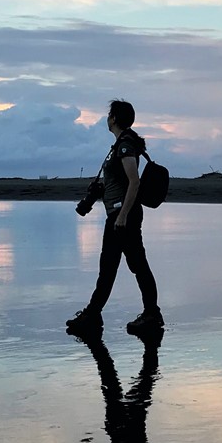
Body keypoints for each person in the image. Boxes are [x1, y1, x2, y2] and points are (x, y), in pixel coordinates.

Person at [67, 99, 162, 335]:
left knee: (123, 267)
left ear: (114, 119)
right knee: (127, 265)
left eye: (109, 115)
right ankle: (144, 313)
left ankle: (97, 316)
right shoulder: (121, 144)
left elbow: (134, 181)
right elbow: (121, 181)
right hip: (120, 215)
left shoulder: (125, 146)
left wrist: (122, 216)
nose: (107, 118)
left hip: (122, 217)